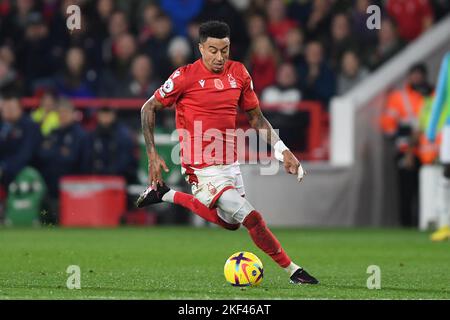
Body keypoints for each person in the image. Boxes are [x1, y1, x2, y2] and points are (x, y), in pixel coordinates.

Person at [137, 21, 318, 285]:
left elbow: (256, 118)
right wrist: (152, 154)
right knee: (252, 218)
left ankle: (165, 193)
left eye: (225, 50)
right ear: (200, 48)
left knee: (231, 223)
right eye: (213, 50)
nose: (220, 57)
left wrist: (283, 151)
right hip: (200, 168)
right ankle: (293, 270)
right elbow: (148, 108)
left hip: (229, 164)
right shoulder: (184, 76)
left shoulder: (240, 73)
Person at [380, 63, 432, 227]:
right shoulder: (399, 97)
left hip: (428, 150)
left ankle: (423, 223)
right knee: (406, 192)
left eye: (419, 75)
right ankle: (407, 225)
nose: (416, 78)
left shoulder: (432, 96)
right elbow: (389, 126)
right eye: (414, 74)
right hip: (406, 149)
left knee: (427, 190)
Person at [426, 52, 450, 241]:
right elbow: (441, 94)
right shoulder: (448, 59)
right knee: (447, 172)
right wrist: (432, 127)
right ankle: (445, 224)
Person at [0, 95, 41, 188]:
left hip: (26, 174)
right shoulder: (3, 126)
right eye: (5, 108)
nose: (7, 111)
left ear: (20, 109)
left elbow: (25, 154)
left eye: (11, 108)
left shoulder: (30, 126)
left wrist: (4, 168)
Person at [87, 107, 137, 184]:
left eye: (108, 115)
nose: (105, 119)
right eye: (103, 116)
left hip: (120, 178)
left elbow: (125, 161)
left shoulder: (123, 135)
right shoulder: (93, 136)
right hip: (97, 179)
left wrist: (108, 172)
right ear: (98, 116)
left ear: (113, 116)